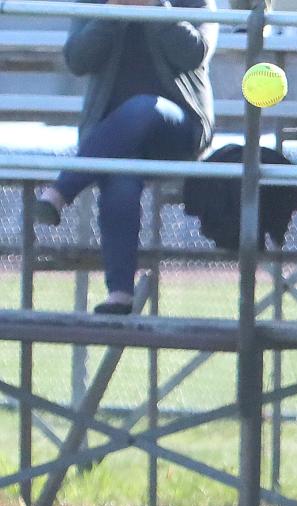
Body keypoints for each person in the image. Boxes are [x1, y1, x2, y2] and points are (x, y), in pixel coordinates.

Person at [32, 0, 216, 315]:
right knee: (119, 177)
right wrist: (115, 11)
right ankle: (120, 292)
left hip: (177, 131)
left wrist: (155, 7)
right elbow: (77, 59)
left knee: (143, 106)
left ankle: (61, 191)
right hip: (113, 140)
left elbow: (194, 53)